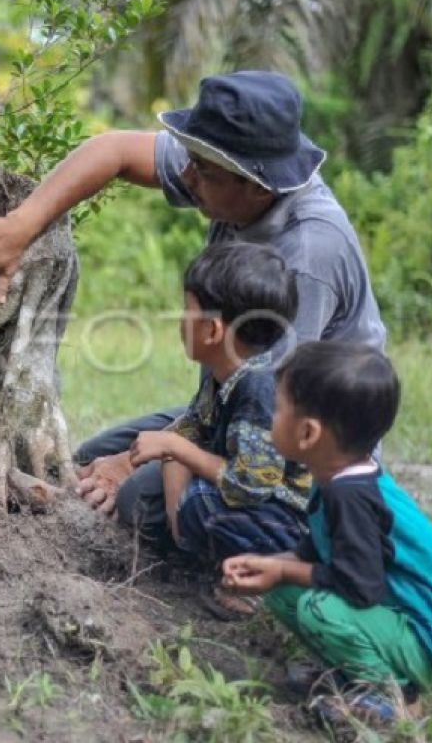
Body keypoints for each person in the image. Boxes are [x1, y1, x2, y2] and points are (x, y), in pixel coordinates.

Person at [0, 70, 386, 536]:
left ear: (257, 185)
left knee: (137, 496)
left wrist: (148, 460)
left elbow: (272, 413)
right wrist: (20, 227)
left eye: (202, 170)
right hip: (234, 408)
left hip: (297, 451)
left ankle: (273, 552)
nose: (185, 176)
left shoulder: (307, 253)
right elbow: (115, 150)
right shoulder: (231, 182)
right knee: (87, 458)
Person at [222, 342, 432, 728]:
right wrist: (268, 565)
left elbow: (358, 585)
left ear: (307, 433)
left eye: (279, 408)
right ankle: (350, 677)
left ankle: (397, 700)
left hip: (430, 644)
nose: (271, 417)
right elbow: (312, 559)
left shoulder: (351, 496)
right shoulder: (333, 478)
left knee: (317, 607)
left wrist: (284, 570)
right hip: (396, 622)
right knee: (280, 589)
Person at [131, 241, 311, 619]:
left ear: (212, 330)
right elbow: (195, 424)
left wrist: (175, 451)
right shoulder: (224, 376)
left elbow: (251, 485)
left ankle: (258, 584)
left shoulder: (259, 389)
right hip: (256, 506)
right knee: (162, 499)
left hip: (286, 522)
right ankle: (202, 549)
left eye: (186, 311)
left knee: (199, 506)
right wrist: (167, 451)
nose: (180, 321)